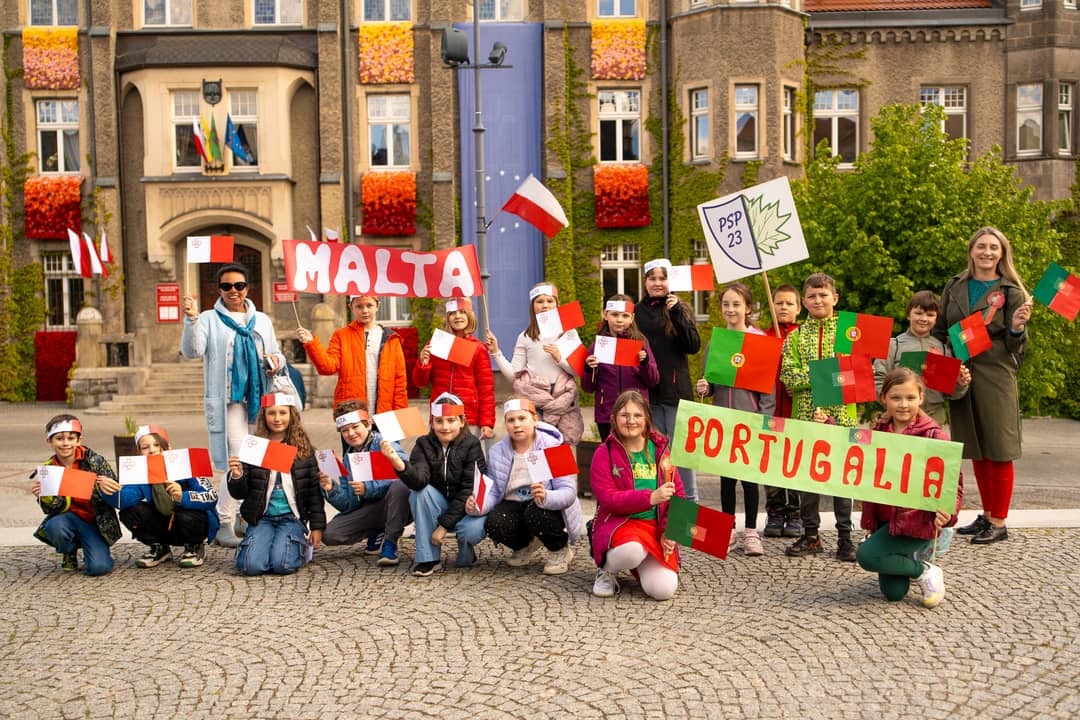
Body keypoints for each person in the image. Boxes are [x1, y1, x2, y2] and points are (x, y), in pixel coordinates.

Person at [932, 226, 1032, 545]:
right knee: (976, 446)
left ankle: (999, 522)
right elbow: (940, 329)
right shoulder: (955, 286)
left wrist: (1016, 328)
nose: (987, 252)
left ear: (1002, 254)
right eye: (981, 246)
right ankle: (987, 515)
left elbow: (1017, 345)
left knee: (998, 448)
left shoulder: (1012, 291)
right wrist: (938, 355)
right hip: (961, 373)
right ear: (971, 250)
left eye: (994, 247)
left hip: (995, 373)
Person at [182, 263, 286, 549]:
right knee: (238, 458)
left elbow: (276, 353)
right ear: (219, 290)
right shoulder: (208, 318)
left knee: (259, 457)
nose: (233, 291)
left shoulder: (261, 320)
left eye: (239, 286)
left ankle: (244, 515)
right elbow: (192, 351)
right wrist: (191, 320)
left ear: (247, 289)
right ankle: (223, 520)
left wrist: (276, 361)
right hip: (230, 401)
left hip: (260, 398)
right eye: (226, 286)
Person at [856, 368, 962, 607]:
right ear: (884, 399)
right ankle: (911, 561)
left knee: (867, 555)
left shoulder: (934, 436)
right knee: (894, 593)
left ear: (921, 398)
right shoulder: (879, 431)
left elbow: (953, 484)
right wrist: (827, 424)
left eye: (910, 398)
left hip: (918, 522)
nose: (903, 404)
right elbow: (849, 451)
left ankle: (924, 571)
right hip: (887, 522)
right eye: (896, 398)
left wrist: (948, 512)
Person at [779, 272, 857, 562]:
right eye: (812, 296)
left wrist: (817, 376)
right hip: (805, 416)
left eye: (823, 295)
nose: (818, 300)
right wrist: (827, 375)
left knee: (841, 479)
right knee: (808, 479)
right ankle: (811, 535)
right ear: (804, 301)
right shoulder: (796, 337)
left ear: (834, 298)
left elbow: (858, 371)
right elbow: (788, 375)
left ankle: (846, 538)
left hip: (842, 416)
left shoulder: (850, 332)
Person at [695, 282, 774, 556]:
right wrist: (705, 387)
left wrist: (764, 420)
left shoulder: (759, 341)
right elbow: (709, 383)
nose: (730, 309)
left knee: (749, 479)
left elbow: (768, 390)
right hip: (722, 421)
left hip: (750, 420)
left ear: (748, 308)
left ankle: (751, 532)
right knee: (727, 479)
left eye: (736, 304)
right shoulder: (716, 343)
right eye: (726, 304)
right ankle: (727, 529)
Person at [589, 390, 684, 600]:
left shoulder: (662, 451)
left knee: (663, 590)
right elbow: (608, 499)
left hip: (654, 529)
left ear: (647, 418)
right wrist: (650, 498)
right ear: (613, 419)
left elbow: (679, 497)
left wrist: (669, 532)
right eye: (624, 415)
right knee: (633, 550)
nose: (631, 421)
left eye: (637, 415)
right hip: (621, 525)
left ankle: (641, 562)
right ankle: (606, 570)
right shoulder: (604, 453)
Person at [478, 398, 584, 575]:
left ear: (535, 419)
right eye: (511, 420)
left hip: (545, 504)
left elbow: (569, 490)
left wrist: (547, 496)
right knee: (494, 522)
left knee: (536, 513)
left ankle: (559, 549)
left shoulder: (556, 446)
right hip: (514, 502)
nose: (516, 425)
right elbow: (493, 491)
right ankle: (525, 545)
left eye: (522, 418)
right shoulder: (496, 451)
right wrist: (479, 504)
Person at [227, 390, 325, 576]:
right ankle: (255, 547)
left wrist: (317, 526)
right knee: (251, 567)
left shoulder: (303, 449)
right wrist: (237, 475)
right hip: (262, 517)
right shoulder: (254, 447)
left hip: (291, 517)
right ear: (264, 416)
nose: (277, 418)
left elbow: (313, 491)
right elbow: (240, 493)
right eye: (271, 413)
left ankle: (298, 547)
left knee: (283, 565)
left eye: (282, 413)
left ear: (291, 415)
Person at [391, 392, 488, 577]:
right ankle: (428, 558)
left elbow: (469, 489)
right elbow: (419, 481)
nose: (445, 427)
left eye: (451, 420)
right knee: (420, 493)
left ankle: (467, 551)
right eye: (439, 421)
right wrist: (400, 465)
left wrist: (442, 528)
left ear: (462, 421)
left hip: (465, 507)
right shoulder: (423, 444)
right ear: (432, 422)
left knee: (471, 532)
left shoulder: (472, 445)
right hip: (438, 504)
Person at [486, 283, 584, 446]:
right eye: (539, 301)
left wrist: (559, 358)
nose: (545, 305)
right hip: (535, 398)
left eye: (550, 301)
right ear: (532, 306)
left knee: (562, 447)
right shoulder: (525, 337)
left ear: (557, 304)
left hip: (563, 398)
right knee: (537, 446)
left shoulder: (568, 332)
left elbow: (577, 371)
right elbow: (513, 375)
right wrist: (496, 351)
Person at [635, 259, 701, 500]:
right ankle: (659, 509)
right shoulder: (635, 312)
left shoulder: (680, 309)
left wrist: (677, 313)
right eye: (652, 278)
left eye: (662, 278)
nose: (657, 283)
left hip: (676, 395)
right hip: (648, 395)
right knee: (654, 456)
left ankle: (688, 510)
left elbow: (693, 345)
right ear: (645, 282)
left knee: (683, 457)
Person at [110, 424, 218, 569]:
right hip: (163, 525)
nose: (152, 450)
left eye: (157, 445)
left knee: (186, 513)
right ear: (139, 453)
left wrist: (183, 497)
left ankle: (194, 546)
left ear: (168, 448)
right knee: (129, 511)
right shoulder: (139, 473)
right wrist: (110, 490)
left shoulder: (186, 464)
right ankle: (159, 547)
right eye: (145, 447)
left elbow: (212, 497)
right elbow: (124, 501)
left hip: (191, 523)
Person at [318, 401, 411, 566]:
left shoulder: (384, 443)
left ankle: (390, 541)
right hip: (371, 509)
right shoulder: (348, 457)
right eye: (345, 430)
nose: (351, 433)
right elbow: (348, 504)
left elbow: (407, 476)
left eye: (355, 427)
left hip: (397, 505)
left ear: (368, 425)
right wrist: (331, 489)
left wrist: (368, 488)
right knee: (330, 534)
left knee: (400, 487)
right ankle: (377, 530)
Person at [31, 415, 121, 576]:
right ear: (49, 441)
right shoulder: (49, 469)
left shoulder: (95, 461)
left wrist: (107, 486)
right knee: (54, 527)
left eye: (71, 438)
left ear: (79, 440)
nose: (65, 443)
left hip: (95, 521)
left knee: (99, 568)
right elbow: (50, 510)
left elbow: (116, 493)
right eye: (59, 438)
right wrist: (44, 497)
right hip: (67, 518)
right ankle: (68, 551)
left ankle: (93, 549)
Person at [873, 290, 971, 426]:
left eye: (930, 315)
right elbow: (877, 381)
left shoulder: (944, 349)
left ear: (936, 318)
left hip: (934, 419)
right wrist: (893, 404)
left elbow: (952, 394)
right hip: (898, 419)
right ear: (908, 314)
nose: (924, 319)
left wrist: (960, 384)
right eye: (918, 313)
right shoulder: (892, 345)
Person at [297, 294, 408, 413]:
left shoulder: (391, 339)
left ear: (377, 306)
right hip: (352, 411)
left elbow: (399, 382)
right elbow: (327, 367)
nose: (364, 310)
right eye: (359, 306)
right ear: (351, 307)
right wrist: (311, 343)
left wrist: (401, 414)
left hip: (384, 413)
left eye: (369, 305)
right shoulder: (341, 336)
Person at [413, 298, 496, 440]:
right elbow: (420, 383)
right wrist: (423, 364)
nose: (457, 316)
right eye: (452, 313)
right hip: (441, 415)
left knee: (468, 453)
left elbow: (486, 389)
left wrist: (487, 422)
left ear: (469, 315)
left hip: (468, 417)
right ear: (447, 317)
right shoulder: (436, 344)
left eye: (462, 312)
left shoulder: (478, 348)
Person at [580, 295, 659, 441]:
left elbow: (653, 380)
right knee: (611, 453)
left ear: (632, 318)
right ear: (605, 315)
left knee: (635, 453)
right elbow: (587, 387)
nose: (619, 320)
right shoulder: (598, 346)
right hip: (607, 415)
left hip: (636, 414)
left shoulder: (640, 343)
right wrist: (589, 369)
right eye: (615, 315)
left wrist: (645, 364)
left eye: (625, 315)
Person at [762, 283, 803, 539]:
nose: (784, 307)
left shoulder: (804, 337)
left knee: (795, 461)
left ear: (798, 308)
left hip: (796, 412)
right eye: (779, 303)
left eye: (789, 303)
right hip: (770, 413)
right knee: (772, 462)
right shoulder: (762, 338)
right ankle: (775, 510)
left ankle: (796, 512)